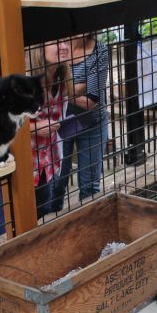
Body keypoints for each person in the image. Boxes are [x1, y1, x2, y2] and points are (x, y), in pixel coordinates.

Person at [51, 32, 110, 212]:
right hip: (59, 124)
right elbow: (49, 88)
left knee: (89, 187)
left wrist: (64, 90)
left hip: (92, 123)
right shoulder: (56, 46)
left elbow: (91, 101)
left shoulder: (99, 50)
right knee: (57, 183)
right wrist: (78, 87)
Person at [28, 39, 72, 218]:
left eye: (66, 41)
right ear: (39, 47)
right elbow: (3, 124)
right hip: (24, 167)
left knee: (44, 215)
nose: (64, 46)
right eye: (56, 42)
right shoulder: (27, 79)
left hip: (47, 164)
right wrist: (35, 128)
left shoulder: (61, 80)